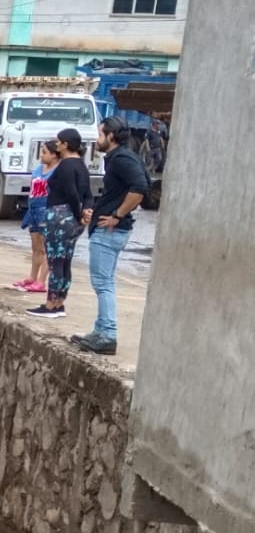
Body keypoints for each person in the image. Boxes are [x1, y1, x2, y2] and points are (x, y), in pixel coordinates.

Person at [72, 114, 150, 355]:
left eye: (99, 134)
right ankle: (100, 330)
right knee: (103, 282)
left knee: (103, 283)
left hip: (110, 230)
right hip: (109, 227)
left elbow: (141, 188)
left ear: (111, 136)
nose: (97, 139)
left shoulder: (121, 159)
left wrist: (117, 215)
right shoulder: (121, 158)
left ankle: (107, 334)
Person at [28, 127, 90, 320]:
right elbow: (88, 193)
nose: (56, 145)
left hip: (60, 215)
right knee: (65, 262)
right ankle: (60, 302)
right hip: (73, 219)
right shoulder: (81, 165)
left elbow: (71, 192)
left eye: (58, 142)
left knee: (55, 262)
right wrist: (85, 211)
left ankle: (50, 304)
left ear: (65, 144)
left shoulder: (65, 166)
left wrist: (77, 212)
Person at [15, 140, 56, 293]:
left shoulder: (57, 172)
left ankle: (41, 280)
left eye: (45, 152)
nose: (41, 155)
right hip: (33, 208)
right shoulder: (39, 169)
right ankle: (32, 277)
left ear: (54, 155)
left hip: (46, 210)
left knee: (46, 248)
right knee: (36, 247)